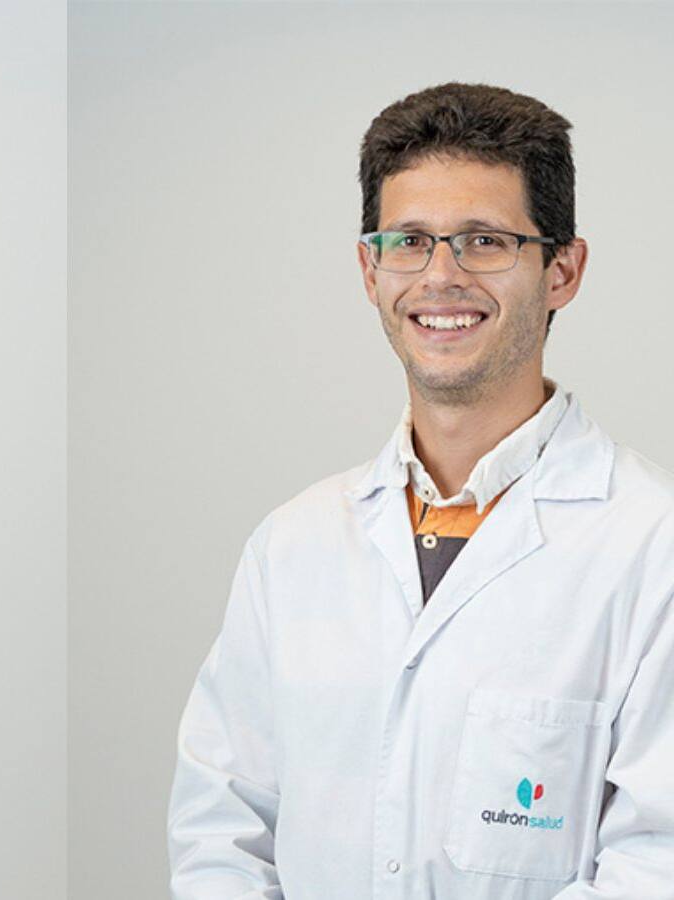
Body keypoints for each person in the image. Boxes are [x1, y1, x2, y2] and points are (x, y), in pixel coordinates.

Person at [168, 83, 674, 898]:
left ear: (562, 271)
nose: (441, 277)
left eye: (484, 241)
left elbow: (657, 864)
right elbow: (221, 835)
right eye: (409, 241)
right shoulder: (292, 547)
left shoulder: (652, 546)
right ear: (370, 269)